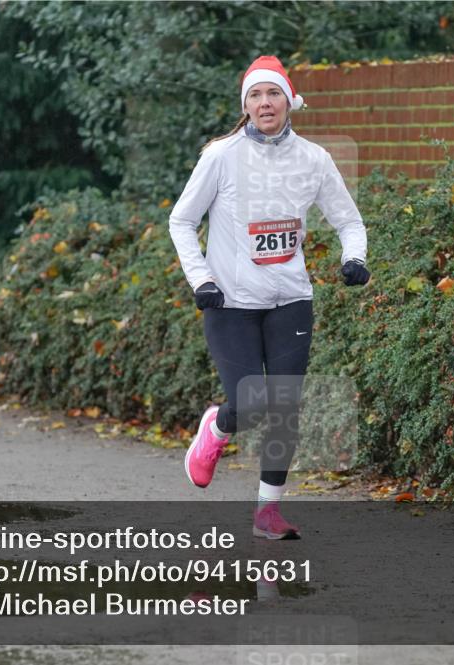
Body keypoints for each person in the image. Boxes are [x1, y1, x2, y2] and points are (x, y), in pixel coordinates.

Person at [168, 55, 370, 540]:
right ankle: (217, 425)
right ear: (246, 104)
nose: (265, 103)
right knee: (248, 404)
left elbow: (349, 220)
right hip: (229, 304)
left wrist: (354, 258)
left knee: (284, 405)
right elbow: (181, 220)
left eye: (273, 94)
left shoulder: (314, 159)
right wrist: (202, 280)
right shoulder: (221, 156)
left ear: (288, 101)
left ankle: (267, 512)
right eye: (256, 95)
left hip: (291, 300)